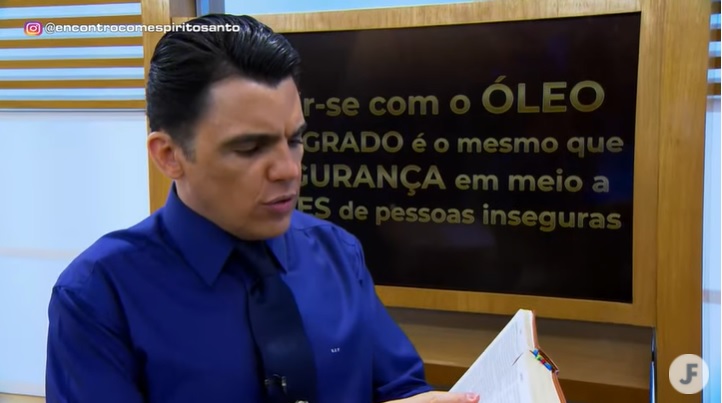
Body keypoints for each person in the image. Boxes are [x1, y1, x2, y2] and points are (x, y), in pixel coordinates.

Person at [44, 13, 480, 403]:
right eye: (251, 147)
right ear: (169, 155)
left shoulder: (337, 253)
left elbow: (400, 387)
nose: (288, 169)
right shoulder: (98, 295)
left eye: (295, 139)